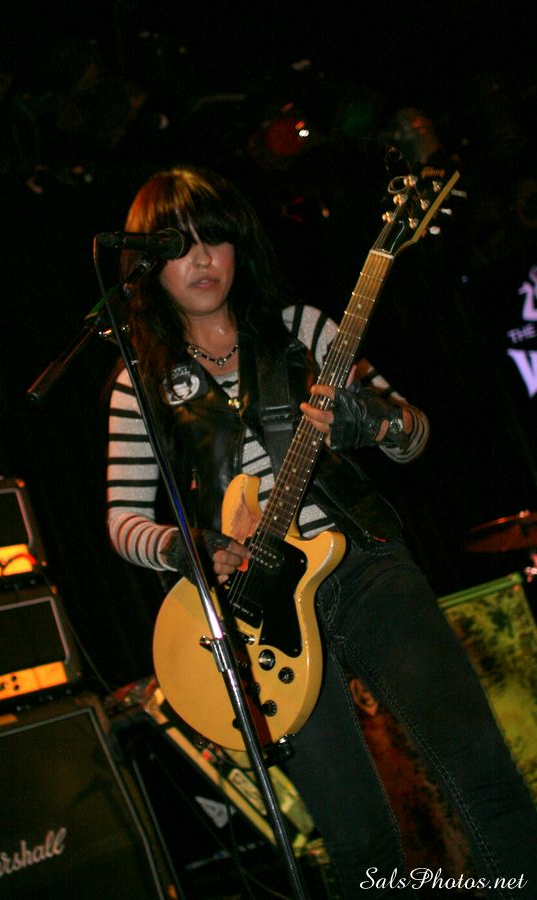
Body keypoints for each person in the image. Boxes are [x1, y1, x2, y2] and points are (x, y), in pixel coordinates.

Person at [105, 165, 537, 898]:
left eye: (215, 238)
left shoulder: (303, 329)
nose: (203, 258)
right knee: (356, 837)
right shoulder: (139, 381)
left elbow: (415, 435)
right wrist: (188, 547)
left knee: (481, 773)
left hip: (363, 567)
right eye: (179, 245)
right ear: (148, 266)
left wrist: (372, 422)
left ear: (240, 244)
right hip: (261, 620)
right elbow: (122, 520)